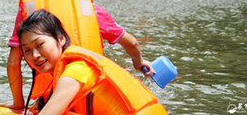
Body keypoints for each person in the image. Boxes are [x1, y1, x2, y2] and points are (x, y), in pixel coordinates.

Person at [4, 0, 154, 112]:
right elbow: (131, 42)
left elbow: (13, 63)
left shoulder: (29, 8)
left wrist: (18, 104)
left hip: (55, 94)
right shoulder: (92, 10)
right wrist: (139, 62)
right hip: (88, 98)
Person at [16, 10, 167, 115]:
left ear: (61, 39)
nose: (34, 55)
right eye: (27, 50)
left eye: (40, 45)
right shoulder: (67, 68)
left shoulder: (75, 71)